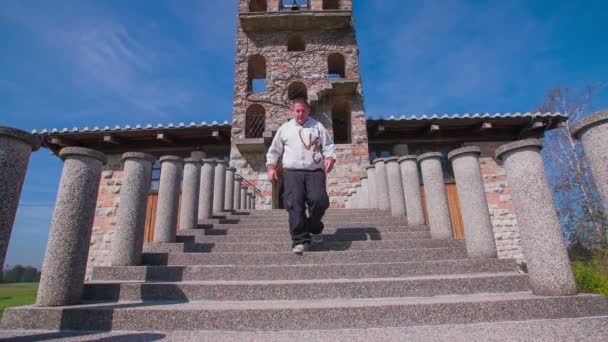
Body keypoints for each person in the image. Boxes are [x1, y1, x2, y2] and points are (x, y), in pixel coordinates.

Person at [266, 98, 336, 254]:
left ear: (308, 111)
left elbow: (329, 146)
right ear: (292, 112)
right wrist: (271, 168)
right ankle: (300, 240)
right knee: (294, 205)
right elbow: (274, 150)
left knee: (320, 201)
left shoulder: (317, 126)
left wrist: (330, 158)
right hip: (292, 172)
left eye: (303, 110)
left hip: (315, 171)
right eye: (297, 111)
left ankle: (315, 227)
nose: (300, 113)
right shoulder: (284, 128)